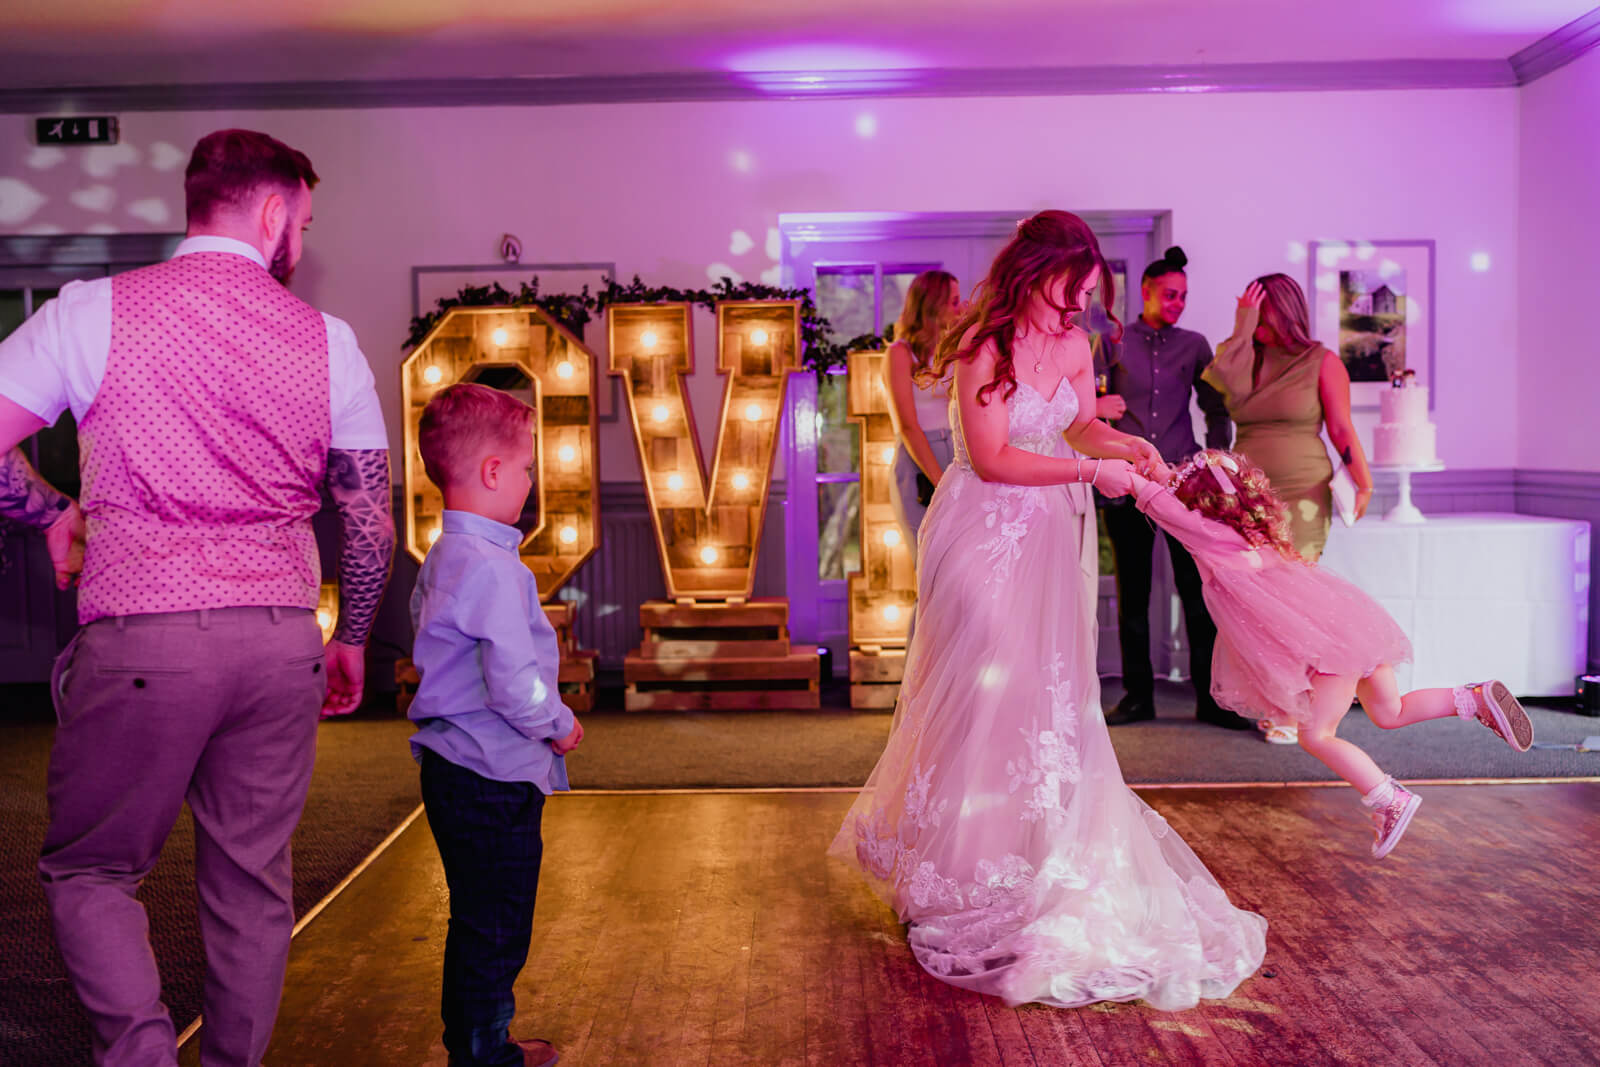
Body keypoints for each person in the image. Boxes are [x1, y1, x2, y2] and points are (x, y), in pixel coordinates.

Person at [0, 129, 394, 1065]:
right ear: (271, 212)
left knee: (94, 868)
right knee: (252, 882)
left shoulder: (91, 313)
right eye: (301, 218)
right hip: (280, 641)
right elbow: (370, 520)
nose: (299, 236)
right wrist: (354, 639)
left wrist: (50, 509)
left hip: (142, 639)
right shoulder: (327, 340)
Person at [831, 211, 1265, 1011]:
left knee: (1042, 696)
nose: (1079, 309)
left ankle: (1019, 851)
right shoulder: (980, 345)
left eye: (1088, 296)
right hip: (979, 535)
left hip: (1048, 540)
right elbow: (992, 456)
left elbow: (1076, 423)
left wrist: (1122, 446)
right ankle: (955, 864)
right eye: (1073, 290)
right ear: (1037, 272)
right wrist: (1083, 474)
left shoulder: (1072, 345)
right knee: (989, 684)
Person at [1131, 450, 1533, 857]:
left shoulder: (1212, 539)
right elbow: (1178, 500)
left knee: (1317, 735)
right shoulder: (1259, 535)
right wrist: (1161, 473)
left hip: (1326, 651)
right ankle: (1472, 698)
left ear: (1199, 507)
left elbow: (1167, 511)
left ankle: (1387, 799)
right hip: (1353, 627)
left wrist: (1131, 480)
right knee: (1389, 712)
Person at [409, 382, 583, 1067]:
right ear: (491, 472)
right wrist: (559, 721)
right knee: (499, 922)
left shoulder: (445, 555)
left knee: (475, 917)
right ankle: (483, 1054)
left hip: (453, 768)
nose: (529, 478)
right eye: (526, 466)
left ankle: (480, 1038)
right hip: (492, 774)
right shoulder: (493, 570)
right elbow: (514, 682)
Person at [1203, 274, 1375, 745]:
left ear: (1283, 308)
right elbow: (1220, 381)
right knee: (1256, 602)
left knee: (1293, 600)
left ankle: (1297, 704)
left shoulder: (1321, 361)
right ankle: (1276, 700)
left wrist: (1363, 479)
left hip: (1303, 492)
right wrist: (1243, 325)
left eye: (1262, 308)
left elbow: (1341, 428)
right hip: (1248, 496)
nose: (1256, 316)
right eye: (1249, 307)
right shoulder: (1246, 359)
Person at [1095, 246, 1249, 730]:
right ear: (1145, 293)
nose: (1178, 303)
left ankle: (1210, 699)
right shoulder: (1111, 344)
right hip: (1127, 484)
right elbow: (1081, 406)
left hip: (1183, 488)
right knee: (1133, 596)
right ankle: (1139, 697)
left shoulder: (1195, 345)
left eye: (1183, 296)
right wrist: (1101, 407)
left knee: (1196, 593)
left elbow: (1216, 408)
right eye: (1170, 295)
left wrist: (1214, 458)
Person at [885, 269, 960, 558]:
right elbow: (907, 425)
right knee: (928, 564)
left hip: (955, 451)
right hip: (918, 459)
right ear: (933, 304)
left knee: (958, 567)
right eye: (953, 302)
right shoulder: (900, 353)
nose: (959, 307)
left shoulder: (951, 351)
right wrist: (941, 481)